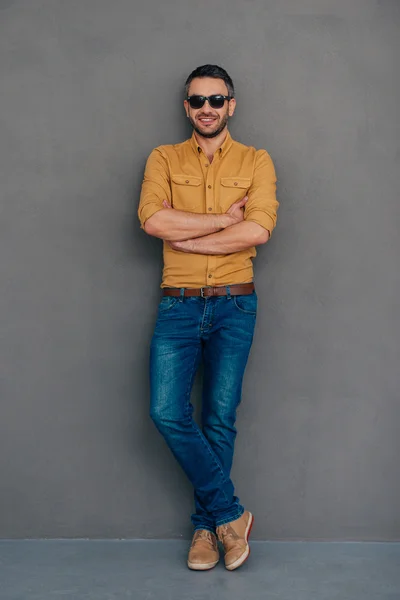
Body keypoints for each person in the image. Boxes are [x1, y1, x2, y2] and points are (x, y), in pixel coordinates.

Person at [138, 64, 279, 571]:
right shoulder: (164, 157)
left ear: (231, 105)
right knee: (166, 411)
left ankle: (205, 528)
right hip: (178, 303)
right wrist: (223, 220)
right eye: (197, 100)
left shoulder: (256, 159)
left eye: (216, 100)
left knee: (219, 418)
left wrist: (188, 237)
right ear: (186, 107)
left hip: (235, 303)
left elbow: (259, 230)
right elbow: (152, 218)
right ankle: (230, 514)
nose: (206, 109)